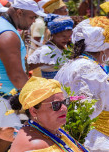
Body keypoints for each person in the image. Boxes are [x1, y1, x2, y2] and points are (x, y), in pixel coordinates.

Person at [0, 0, 45, 151]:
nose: (33, 21)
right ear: (19, 12)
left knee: (4, 140)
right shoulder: (7, 33)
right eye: (32, 17)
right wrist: (39, 100)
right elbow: (17, 77)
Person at [54, 16, 109, 152]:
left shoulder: (75, 63)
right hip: (92, 139)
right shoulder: (89, 69)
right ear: (103, 47)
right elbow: (86, 109)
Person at [9, 76, 89, 152]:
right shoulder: (38, 145)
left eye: (65, 102)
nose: (64, 108)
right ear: (34, 111)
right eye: (56, 105)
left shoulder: (51, 129)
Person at [27, 14, 74, 79]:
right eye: (64, 36)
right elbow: (27, 67)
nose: (67, 39)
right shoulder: (46, 51)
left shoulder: (64, 48)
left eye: (69, 36)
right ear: (53, 34)